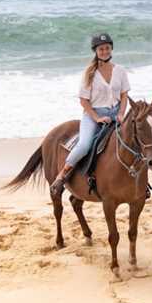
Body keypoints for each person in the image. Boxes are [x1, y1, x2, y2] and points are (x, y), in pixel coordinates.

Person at [50, 33, 130, 197]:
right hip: (93, 114)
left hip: (116, 113)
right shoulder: (89, 73)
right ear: (96, 51)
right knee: (85, 145)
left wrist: (122, 113)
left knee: (134, 140)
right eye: (101, 49)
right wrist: (97, 118)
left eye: (107, 48)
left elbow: (124, 95)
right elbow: (84, 101)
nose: (104, 51)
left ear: (111, 49)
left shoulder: (120, 71)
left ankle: (140, 183)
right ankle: (63, 174)